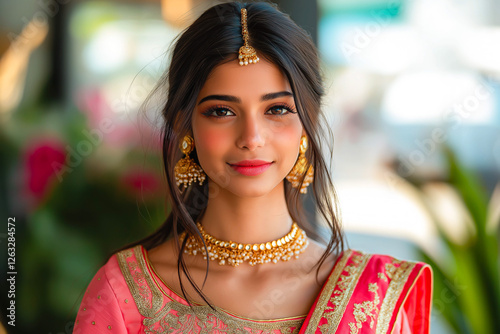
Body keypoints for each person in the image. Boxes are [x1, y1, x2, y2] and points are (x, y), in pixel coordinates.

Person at [73, 2, 432, 333]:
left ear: (308, 122)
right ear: (185, 127)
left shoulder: (372, 299)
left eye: (277, 109)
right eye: (221, 111)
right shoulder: (126, 295)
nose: (252, 137)